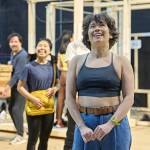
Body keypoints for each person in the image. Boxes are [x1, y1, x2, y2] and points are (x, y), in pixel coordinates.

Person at [66, 13, 134, 150]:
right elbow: (69, 97)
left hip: (115, 122)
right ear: (87, 35)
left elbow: (129, 97)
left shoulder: (122, 61)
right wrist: (81, 126)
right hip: (85, 124)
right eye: (92, 26)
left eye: (102, 25)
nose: (97, 28)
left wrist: (110, 124)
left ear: (110, 34)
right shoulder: (76, 62)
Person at [17, 38, 58, 150]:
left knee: (44, 139)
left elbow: (58, 83)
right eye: (40, 45)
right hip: (34, 106)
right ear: (36, 49)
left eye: (45, 46)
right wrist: (33, 99)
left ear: (49, 51)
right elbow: (19, 87)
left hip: (48, 107)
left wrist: (54, 89)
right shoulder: (28, 67)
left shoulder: (53, 67)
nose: (42, 48)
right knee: (32, 139)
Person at [2, 33, 28, 144]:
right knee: (12, 109)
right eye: (11, 42)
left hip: (21, 87)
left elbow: (18, 74)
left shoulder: (23, 55)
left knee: (17, 110)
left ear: (20, 42)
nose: (13, 44)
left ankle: (21, 135)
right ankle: (21, 131)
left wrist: (6, 87)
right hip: (14, 87)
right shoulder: (13, 54)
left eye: (15, 41)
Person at [64, 40, 90, 150]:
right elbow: (71, 69)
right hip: (77, 96)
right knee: (72, 132)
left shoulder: (98, 47)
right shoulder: (73, 46)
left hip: (94, 101)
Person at [56, 30, 73, 128]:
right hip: (70, 74)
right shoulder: (72, 49)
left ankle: (58, 121)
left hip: (62, 74)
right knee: (71, 98)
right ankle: (70, 120)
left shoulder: (60, 51)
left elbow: (59, 66)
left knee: (60, 98)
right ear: (70, 39)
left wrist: (63, 69)